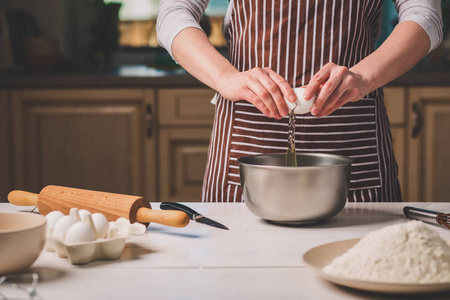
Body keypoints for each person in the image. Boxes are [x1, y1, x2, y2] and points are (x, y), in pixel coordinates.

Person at [157, 0, 443, 203]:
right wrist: (224, 77)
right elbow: (173, 11)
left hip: (353, 151)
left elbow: (424, 15)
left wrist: (363, 77)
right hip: (247, 144)